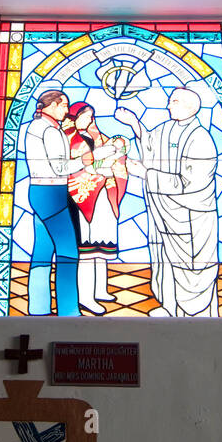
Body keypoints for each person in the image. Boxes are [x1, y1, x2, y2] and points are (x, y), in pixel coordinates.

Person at [115, 88, 220, 317]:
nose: (168, 105)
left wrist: (145, 174)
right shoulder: (167, 128)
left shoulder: (201, 138)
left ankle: (193, 313)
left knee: (190, 265)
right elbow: (150, 142)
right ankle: (170, 305)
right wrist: (135, 123)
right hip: (164, 212)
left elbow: (191, 184)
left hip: (191, 216)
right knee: (164, 257)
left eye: (174, 101)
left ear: (191, 107)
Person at [24, 90, 115, 316]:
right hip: (53, 191)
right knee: (68, 253)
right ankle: (68, 311)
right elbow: (61, 168)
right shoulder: (50, 131)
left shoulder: (36, 127)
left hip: (38, 191)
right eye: (63, 105)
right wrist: (95, 156)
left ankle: (38, 307)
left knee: (43, 252)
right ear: (51, 106)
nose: (67, 110)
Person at [63, 102, 128, 314]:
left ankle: (100, 289)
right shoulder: (70, 138)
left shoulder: (93, 136)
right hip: (83, 197)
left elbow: (108, 155)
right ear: (74, 116)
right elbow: (80, 164)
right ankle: (86, 297)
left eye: (91, 116)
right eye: (85, 116)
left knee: (102, 245)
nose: (89, 120)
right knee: (88, 248)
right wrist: (106, 158)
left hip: (102, 195)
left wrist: (117, 150)